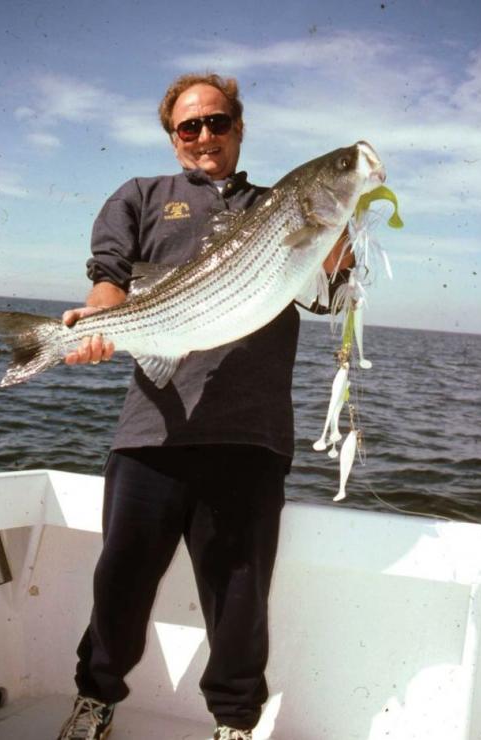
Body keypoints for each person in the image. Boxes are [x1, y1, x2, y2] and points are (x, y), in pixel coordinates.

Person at [56, 73, 354, 740]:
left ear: (238, 127)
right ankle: (94, 701)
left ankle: (234, 724)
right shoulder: (140, 196)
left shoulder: (281, 204)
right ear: (172, 136)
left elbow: (329, 300)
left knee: (239, 597)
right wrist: (93, 327)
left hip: (250, 435)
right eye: (188, 126)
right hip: (150, 432)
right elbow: (108, 283)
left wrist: (336, 233)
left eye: (216, 122)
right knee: (120, 584)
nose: (203, 137)